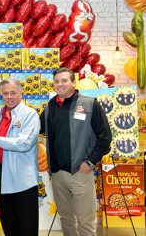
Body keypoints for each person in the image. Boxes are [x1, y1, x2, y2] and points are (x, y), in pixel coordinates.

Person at [40, 67, 112, 236]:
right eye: (56, 81)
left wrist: (90, 162)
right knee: (66, 219)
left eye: (64, 80)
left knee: (85, 221)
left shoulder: (88, 103)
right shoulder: (51, 106)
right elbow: (36, 127)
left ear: (73, 82)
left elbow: (105, 137)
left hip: (80, 172)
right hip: (57, 174)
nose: (60, 84)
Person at [0, 77, 40, 236]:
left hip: (23, 179)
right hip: (2, 175)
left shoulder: (30, 114)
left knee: (27, 225)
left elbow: (24, 143)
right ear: (1, 95)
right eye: (5, 94)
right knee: (8, 222)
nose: (9, 97)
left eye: (13, 93)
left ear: (21, 93)